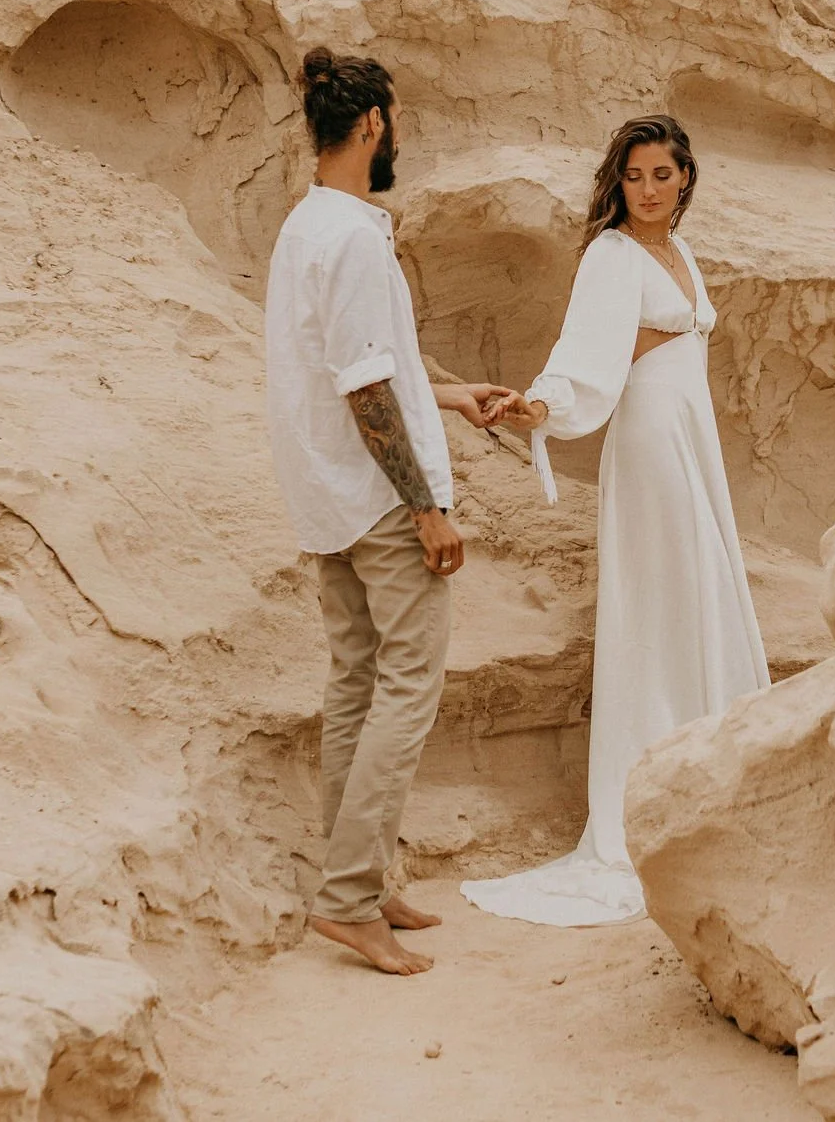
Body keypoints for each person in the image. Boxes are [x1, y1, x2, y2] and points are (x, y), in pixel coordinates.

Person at [463, 114, 771, 927]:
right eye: (633, 177)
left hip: (689, 441)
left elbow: (662, 342)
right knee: (662, 603)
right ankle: (652, 799)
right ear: (618, 181)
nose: (647, 190)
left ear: (685, 179)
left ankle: (711, 777)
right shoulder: (612, 254)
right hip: (648, 448)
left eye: (662, 175)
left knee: (697, 591)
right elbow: (586, 354)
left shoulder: (682, 252)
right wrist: (545, 402)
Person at [265, 47, 518, 974]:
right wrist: (427, 509)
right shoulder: (358, 235)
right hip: (377, 498)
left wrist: (451, 394)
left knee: (355, 685)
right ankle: (348, 897)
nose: (398, 133)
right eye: (397, 119)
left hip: (324, 491)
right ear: (372, 124)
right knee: (408, 688)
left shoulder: (306, 225)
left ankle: (359, 881)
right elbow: (367, 386)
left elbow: (372, 365)